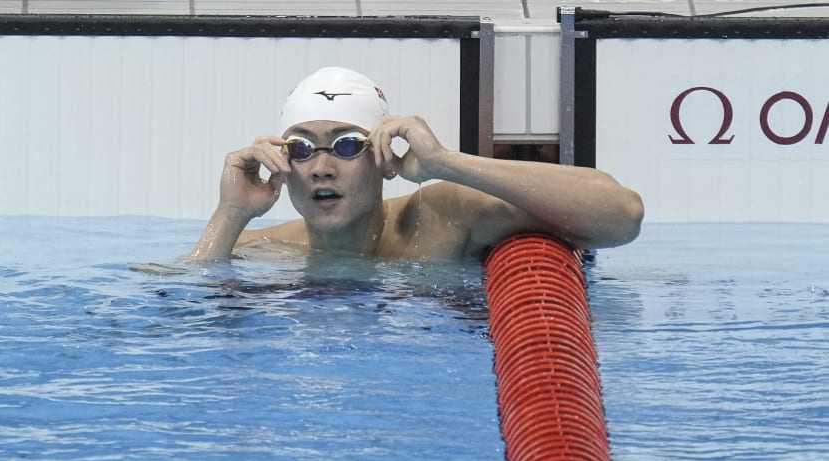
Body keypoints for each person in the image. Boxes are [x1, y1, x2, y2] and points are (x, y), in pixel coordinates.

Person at [188, 67, 643, 263]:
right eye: (302, 149)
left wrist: (446, 163)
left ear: (385, 161)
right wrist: (231, 214)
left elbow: (622, 216)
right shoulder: (262, 247)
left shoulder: (442, 217)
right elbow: (181, 310)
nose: (321, 168)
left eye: (346, 146)